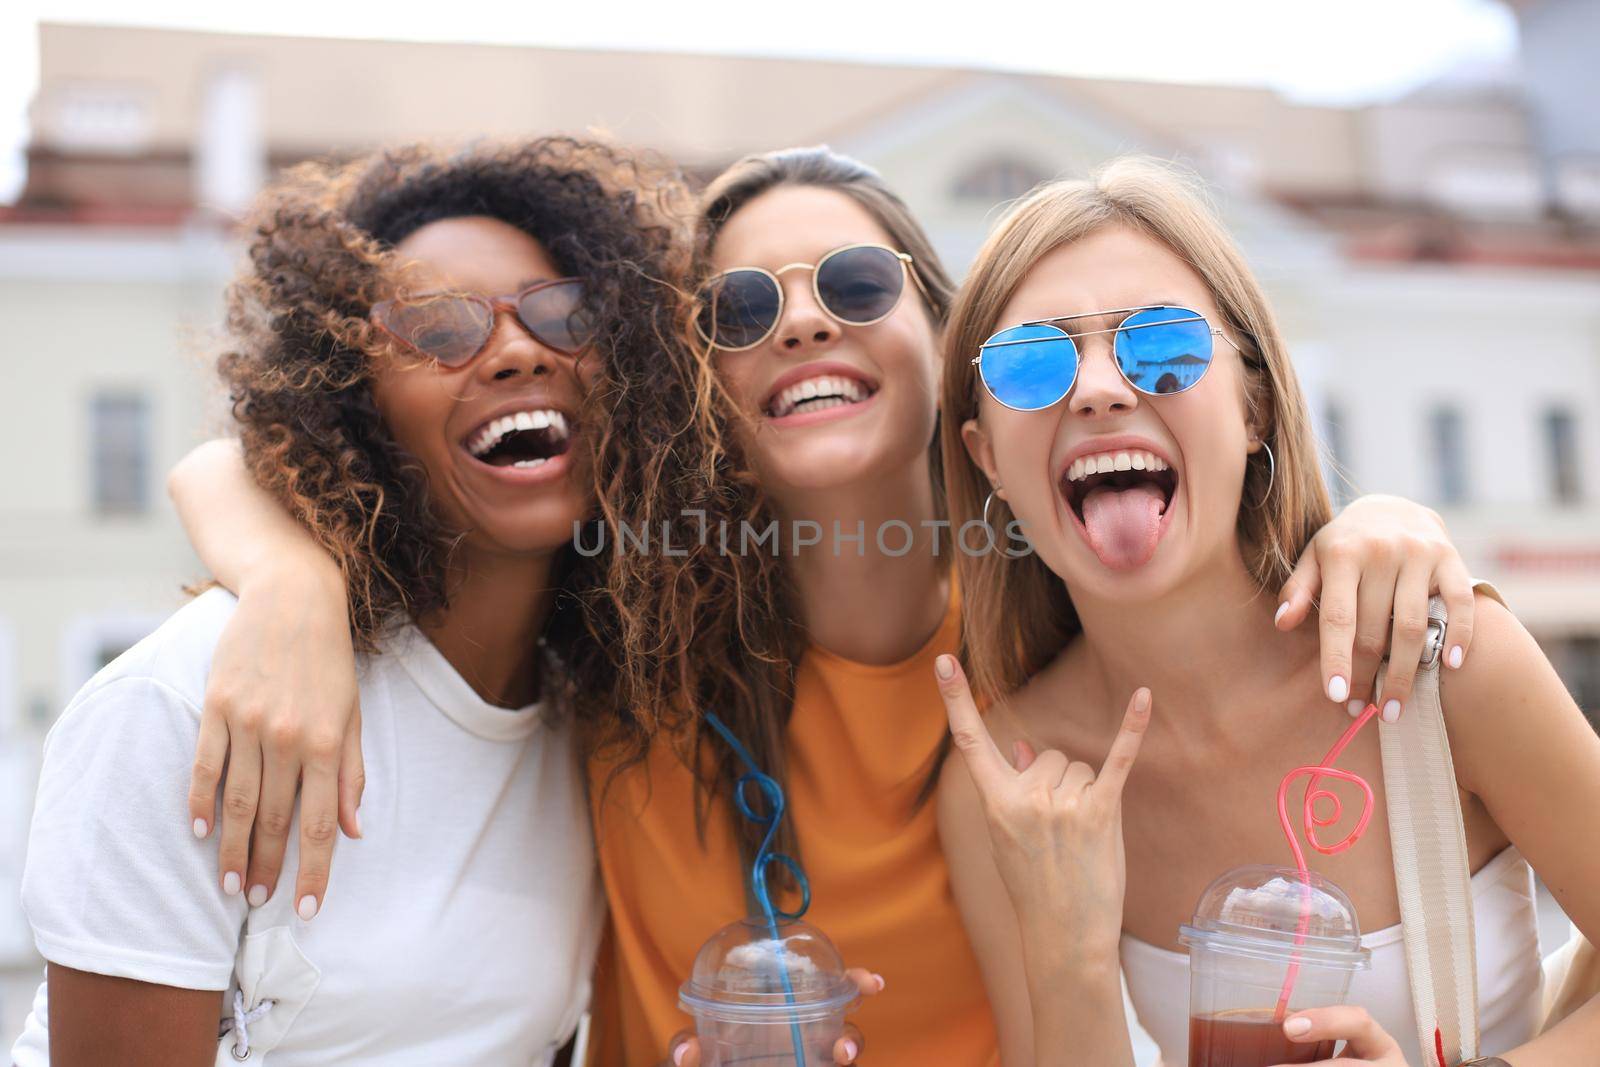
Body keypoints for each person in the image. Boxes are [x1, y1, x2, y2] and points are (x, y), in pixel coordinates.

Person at [165, 147, 1479, 1067]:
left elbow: (1234, 564)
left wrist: (1389, 521)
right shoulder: (624, 620)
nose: (800, 322)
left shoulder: (1068, 627)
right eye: (740, 308)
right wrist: (288, 580)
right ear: (699, 385)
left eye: (854, 286)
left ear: (945, 341)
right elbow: (238, 457)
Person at [9, 137, 689, 1066]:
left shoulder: (594, 719)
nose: (518, 350)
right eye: (440, 330)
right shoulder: (185, 704)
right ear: (350, 404)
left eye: (566, 314)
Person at [934, 156, 1600, 1066]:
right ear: (988, 460)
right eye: (1030, 363)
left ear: (1254, 406)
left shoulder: (1437, 660)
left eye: (1161, 345)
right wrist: (1069, 958)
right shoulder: (1005, 785)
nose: (1096, 387)